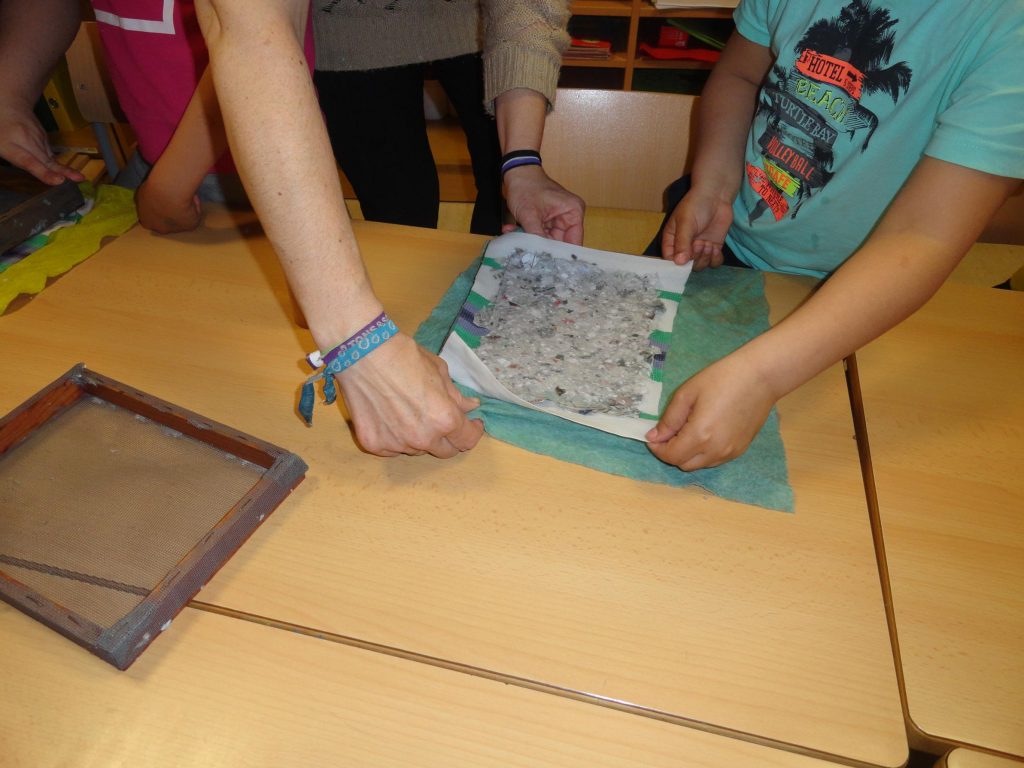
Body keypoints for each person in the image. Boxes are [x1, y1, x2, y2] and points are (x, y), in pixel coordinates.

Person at [644, 0, 1024, 471]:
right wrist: (715, 187)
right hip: (725, 238)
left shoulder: (1008, 28)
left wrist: (762, 377)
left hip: (863, 303)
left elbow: (923, 235)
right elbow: (740, 75)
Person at [312, 0, 583, 242]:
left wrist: (521, 162)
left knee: (503, 198)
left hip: (477, 19)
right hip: (349, 26)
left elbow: (526, 8)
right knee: (399, 212)